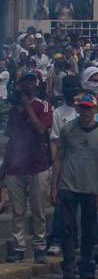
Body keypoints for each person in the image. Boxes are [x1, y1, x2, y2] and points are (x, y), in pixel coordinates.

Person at [49, 94, 98, 279]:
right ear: (78, 109)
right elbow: (59, 159)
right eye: (83, 108)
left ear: (95, 110)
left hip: (91, 187)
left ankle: (87, 265)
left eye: (89, 108)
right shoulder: (68, 130)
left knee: (89, 230)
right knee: (68, 229)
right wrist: (54, 187)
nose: (86, 112)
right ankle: (68, 268)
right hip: (68, 185)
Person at [3, 72, 53, 262]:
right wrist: (4, 167)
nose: (28, 85)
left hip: (37, 164)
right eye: (25, 81)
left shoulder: (43, 105)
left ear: (37, 84)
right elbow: (11, 138)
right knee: (17, 211)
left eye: (32, 81)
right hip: (16, 166)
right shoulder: (14, 110)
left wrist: (27, 107)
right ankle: (19, 247)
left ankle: (40, 247)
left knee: (38, 209)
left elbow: (41, 130)